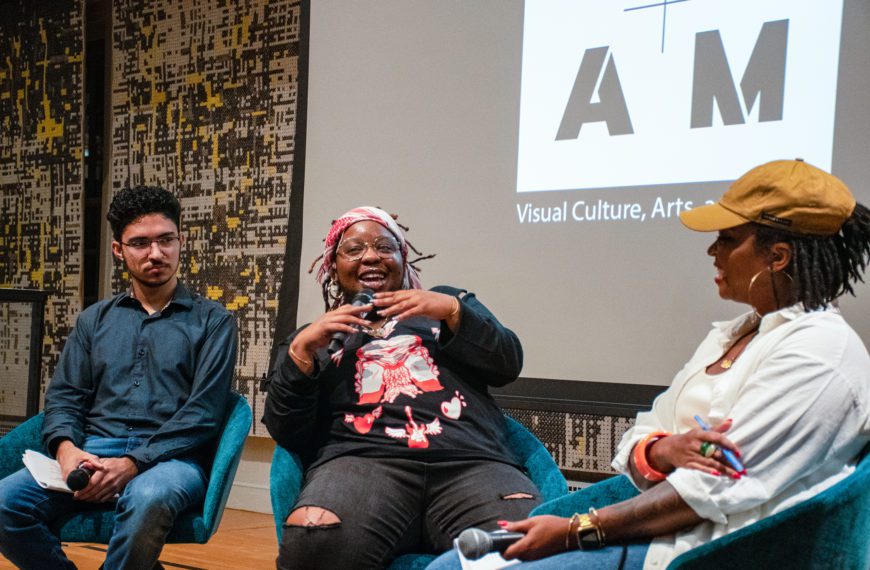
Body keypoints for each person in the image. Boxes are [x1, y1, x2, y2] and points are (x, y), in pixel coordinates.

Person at [428, 159, 870, 569]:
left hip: (702, 551)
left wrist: (576, 530)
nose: (712, 251)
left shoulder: (819, 354)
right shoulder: (734, 334)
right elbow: (643, 431)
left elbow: (707, 491)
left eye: (729, 239)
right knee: (450, 565)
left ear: (778, 256)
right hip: (656, 534)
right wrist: (659, 449)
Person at [263, 206, 541, 568]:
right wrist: (301, 352)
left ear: (402, 258)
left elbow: (508, 363)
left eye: (384, 246)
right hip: (362, 464)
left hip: (471, 463)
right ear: (334, 266)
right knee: (317, 542)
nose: (371, 256)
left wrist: (455, 310)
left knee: (525, 548)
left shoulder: (444, 306)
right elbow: (289, 432)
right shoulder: (315, 337)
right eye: (354, 249)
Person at [0, 186, 238, 569]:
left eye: (166, 240)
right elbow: (64, 398)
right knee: (4, 505)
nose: (156, 254)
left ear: (182, 242)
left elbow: (204, 414)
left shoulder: (214, 322)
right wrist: (66, 451)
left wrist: (132, 463)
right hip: (92, 451)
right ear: (119, 250)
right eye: (140, 243)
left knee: (147, 497)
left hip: (172, 459)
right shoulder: (94, 320)